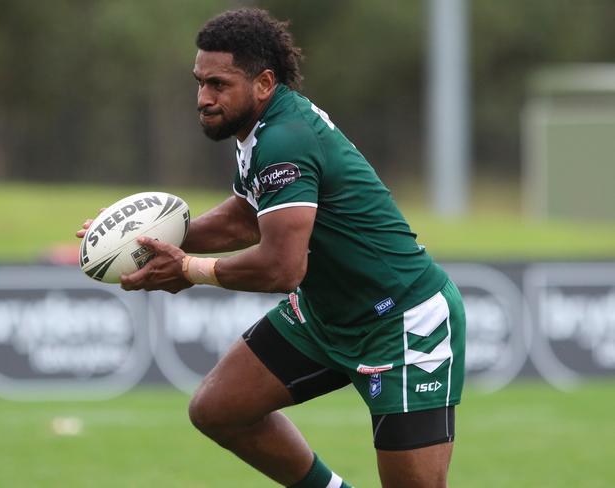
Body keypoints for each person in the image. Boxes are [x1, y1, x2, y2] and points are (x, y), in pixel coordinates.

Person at [78, 8, 465, 488]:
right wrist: (140, 239)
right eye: (199, 83)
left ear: (263, 83)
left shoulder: (284, 138)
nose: (203, 98)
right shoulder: (260, 131)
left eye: (218, 85)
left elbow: (283, 268)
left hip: (401, 323)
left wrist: (190, 269)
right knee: (219, 409)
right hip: (325, 317)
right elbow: (244, 218)